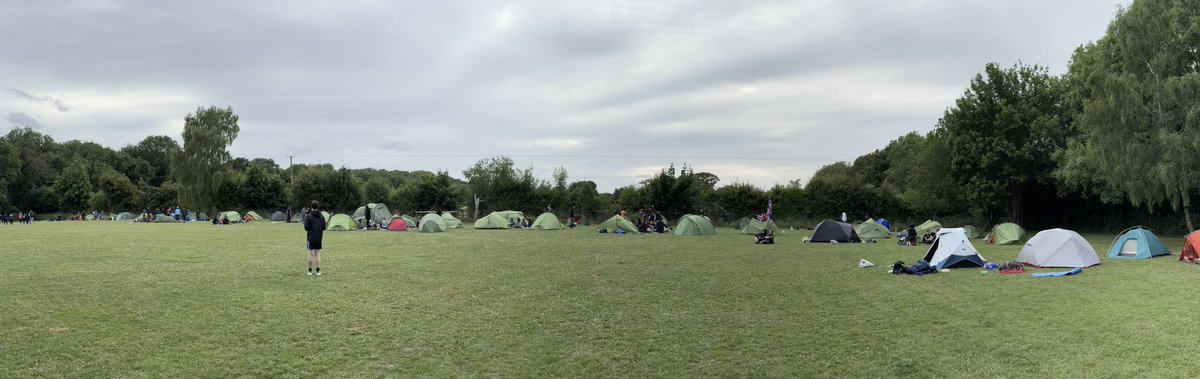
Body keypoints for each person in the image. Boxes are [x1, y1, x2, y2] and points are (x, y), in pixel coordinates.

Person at [303, 201, 327, 276]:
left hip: (310, 237)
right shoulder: (322, 216)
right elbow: (323, 227)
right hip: (319, 237)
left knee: (311, 253)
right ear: (318, 207)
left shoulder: (308, 216)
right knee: (317, 254)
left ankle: (310, 271)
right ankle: (318, 271)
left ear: (311, 207)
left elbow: (306, 228)